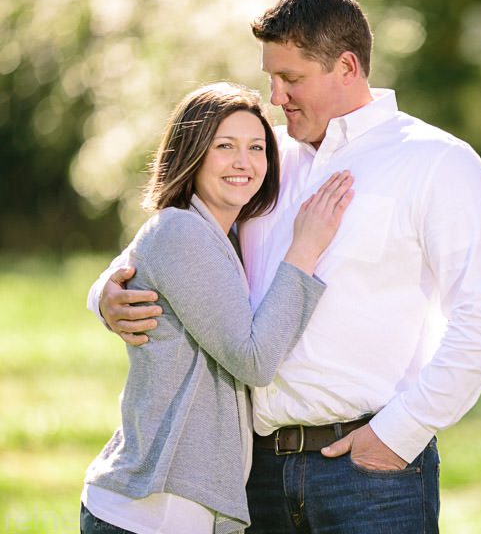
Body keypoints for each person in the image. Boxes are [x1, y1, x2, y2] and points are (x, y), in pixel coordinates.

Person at [89, 0, 481, 533]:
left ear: (345, 67)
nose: (276, 96)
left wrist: (400, 433)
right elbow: (163, 240)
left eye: (290, 79)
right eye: (271, 78)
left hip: (370, 475)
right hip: (252, 476)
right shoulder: (261, 156)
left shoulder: (435, 161)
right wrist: (106, 295)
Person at [81, 82, 354, 534]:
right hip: (150, 511)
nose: (244, 162)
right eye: (224, 146)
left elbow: (124, 269)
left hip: (183, 509)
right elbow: (255, 360)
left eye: (256, 147)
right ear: (192, 154)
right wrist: (305, 248)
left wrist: (101, 296)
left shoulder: (222, 235)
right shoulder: (182, 232)